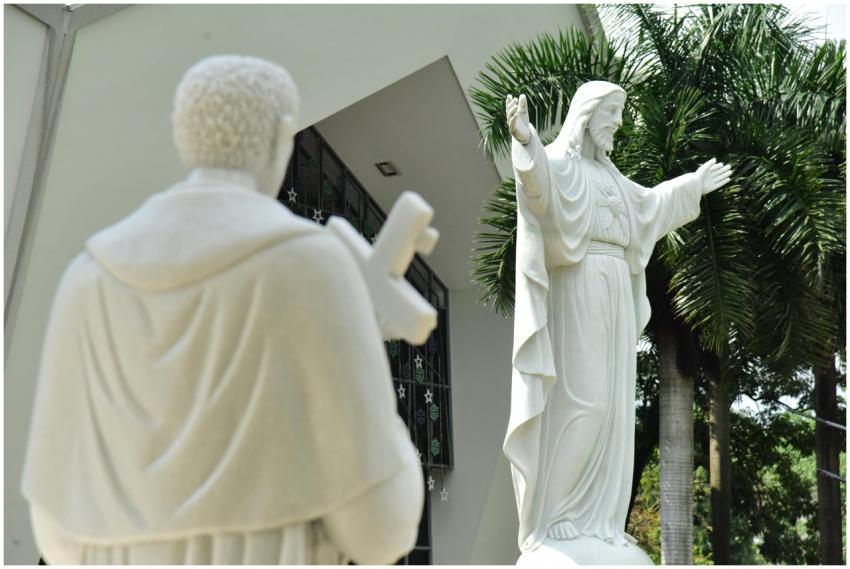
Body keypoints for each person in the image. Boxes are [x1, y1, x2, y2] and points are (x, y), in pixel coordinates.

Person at [21, 55, 423, 565]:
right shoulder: (311, 268)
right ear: (282, 135)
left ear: (183, 136)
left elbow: (56, 532)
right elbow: (381, 530)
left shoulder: (87, 277)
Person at [504, 82, 731, 555]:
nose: (619, 124)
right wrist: (526, 141)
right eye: (613, 114)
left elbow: (649, 208)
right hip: (579, 285)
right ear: (587, 115)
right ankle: (558, 514)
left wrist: (693, 185)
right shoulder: (563, 164)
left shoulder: (610, 177)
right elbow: (538, 186)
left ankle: (597, 519)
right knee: (583, 401)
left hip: (612, 293)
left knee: (610, 406)